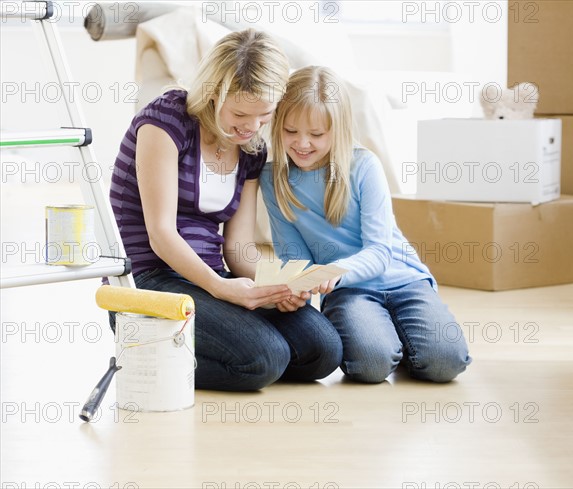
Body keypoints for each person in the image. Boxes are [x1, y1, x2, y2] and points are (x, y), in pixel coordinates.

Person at [108, 30, 342, 391]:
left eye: (264, 116)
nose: (250, 128)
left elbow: (238, 248)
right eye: (240, 114)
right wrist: (221, 289)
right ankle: (143, 354)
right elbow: (161, 234)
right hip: (149, 279)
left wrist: (279, 285)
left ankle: (229, 350)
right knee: (264, 359)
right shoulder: (166, 120)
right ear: (214, 92)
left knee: (322, 350)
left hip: (209, 279)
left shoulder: (250, 149)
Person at [260, 66, 472, 384]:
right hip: (349, 292)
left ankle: (401, 341)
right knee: (369, 367)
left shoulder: (363, 165)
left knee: (446, 364)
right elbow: (295, 257)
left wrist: (332, 272)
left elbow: (380, 252)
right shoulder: (273, 178)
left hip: (404, 282)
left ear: (338, 130)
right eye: (291, 131)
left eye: (316, 135)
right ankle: (390, 342)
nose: (302, 143)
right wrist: (296, 288)